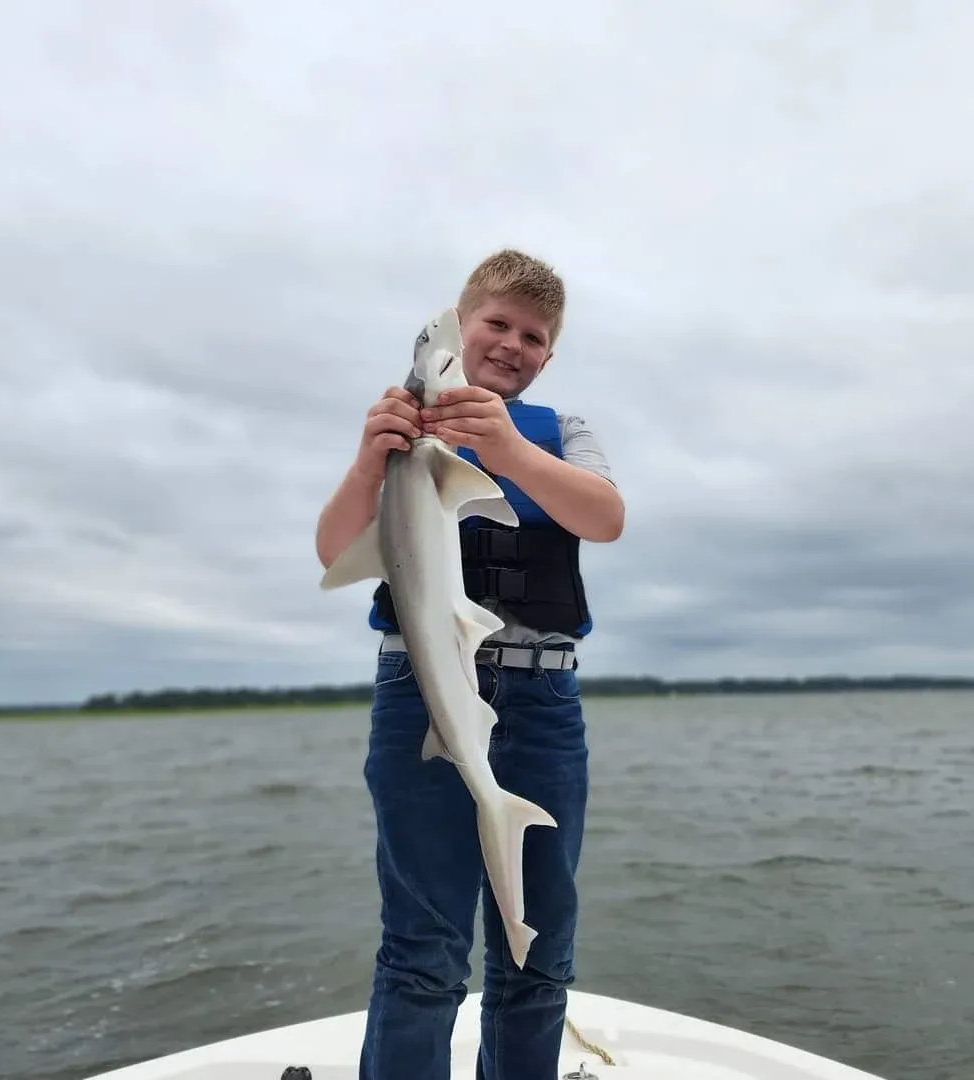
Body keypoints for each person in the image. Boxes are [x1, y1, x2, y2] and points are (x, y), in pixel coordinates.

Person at [314, 249, 625, 1080]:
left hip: (542, 697)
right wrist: (367, 463)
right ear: (461, 325)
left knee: (537, 947)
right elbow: (335, 549)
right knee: (423, 944)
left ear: (548, 355)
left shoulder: (562, 434)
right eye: (496, 323)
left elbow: (604, 517)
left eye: (533, 335)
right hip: (418, 692)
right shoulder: (400, 430)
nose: (512, 343)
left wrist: (509, 450)